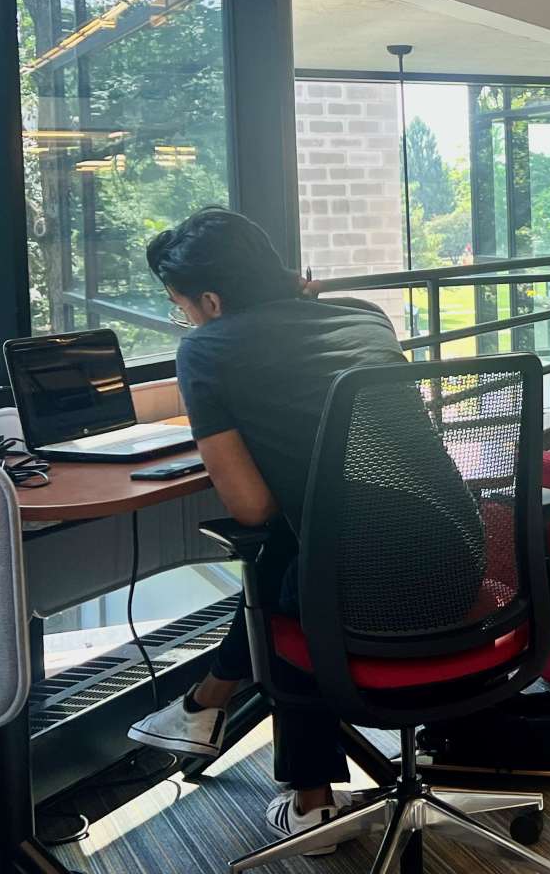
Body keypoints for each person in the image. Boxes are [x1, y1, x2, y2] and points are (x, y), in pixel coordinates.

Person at [125, 208, 482, 854]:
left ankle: (303, 795)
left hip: (374, 596)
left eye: (183, 308)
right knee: (306, 546)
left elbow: (253, 507)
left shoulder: (206, 348)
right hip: (461, 558)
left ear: (210, 300)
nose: (187, 322)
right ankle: (206, 706)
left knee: (279, 563)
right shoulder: (364, 316)